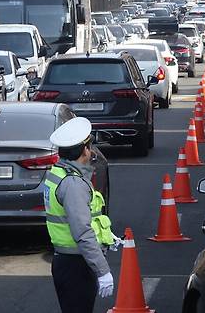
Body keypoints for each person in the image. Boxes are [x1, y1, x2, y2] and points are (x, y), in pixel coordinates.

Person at [45, 117, 117, 313]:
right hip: (77, 265)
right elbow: (82, 231)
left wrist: (106, 235)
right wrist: (102, 270)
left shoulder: (58, 172)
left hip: (66, 261)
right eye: (89, 147)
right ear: (85, 150)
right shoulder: (73, 184)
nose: (92, 152)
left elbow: (83, 218)